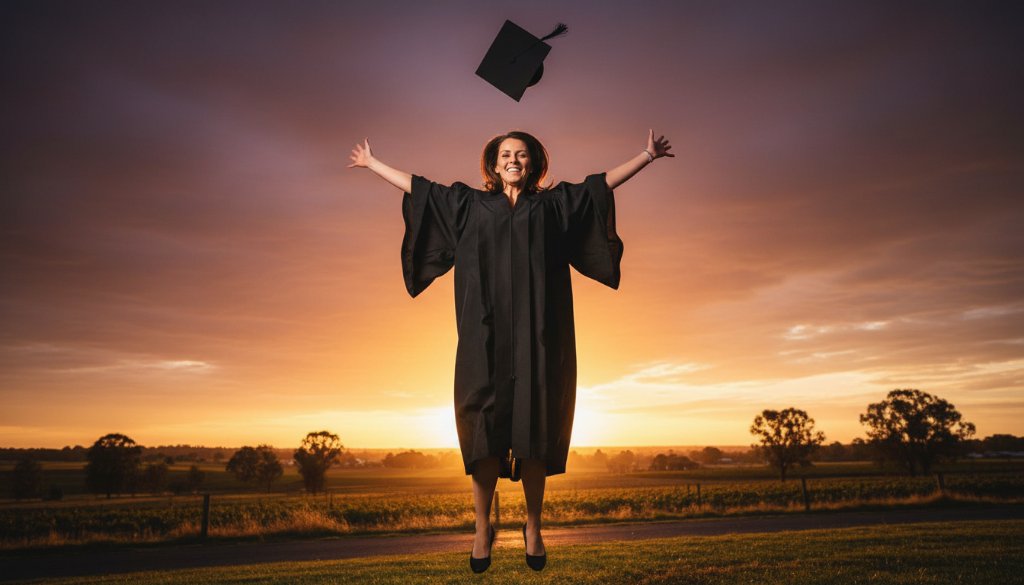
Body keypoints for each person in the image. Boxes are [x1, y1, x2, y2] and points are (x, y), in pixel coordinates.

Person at [348, 129, 672, 572]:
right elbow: (421, 189)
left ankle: (533, 527)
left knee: (535, 434)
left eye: (521, 154)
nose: (513, 160)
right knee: (483, 435)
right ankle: (482, 527)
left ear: (534, 162)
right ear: (494, 164)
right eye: (505, 154)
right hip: (484, 340)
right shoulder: (469, 206)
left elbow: (599, 186)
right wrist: (372, 163)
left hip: (541, 339)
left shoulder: (553, 206)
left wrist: (646, 156)